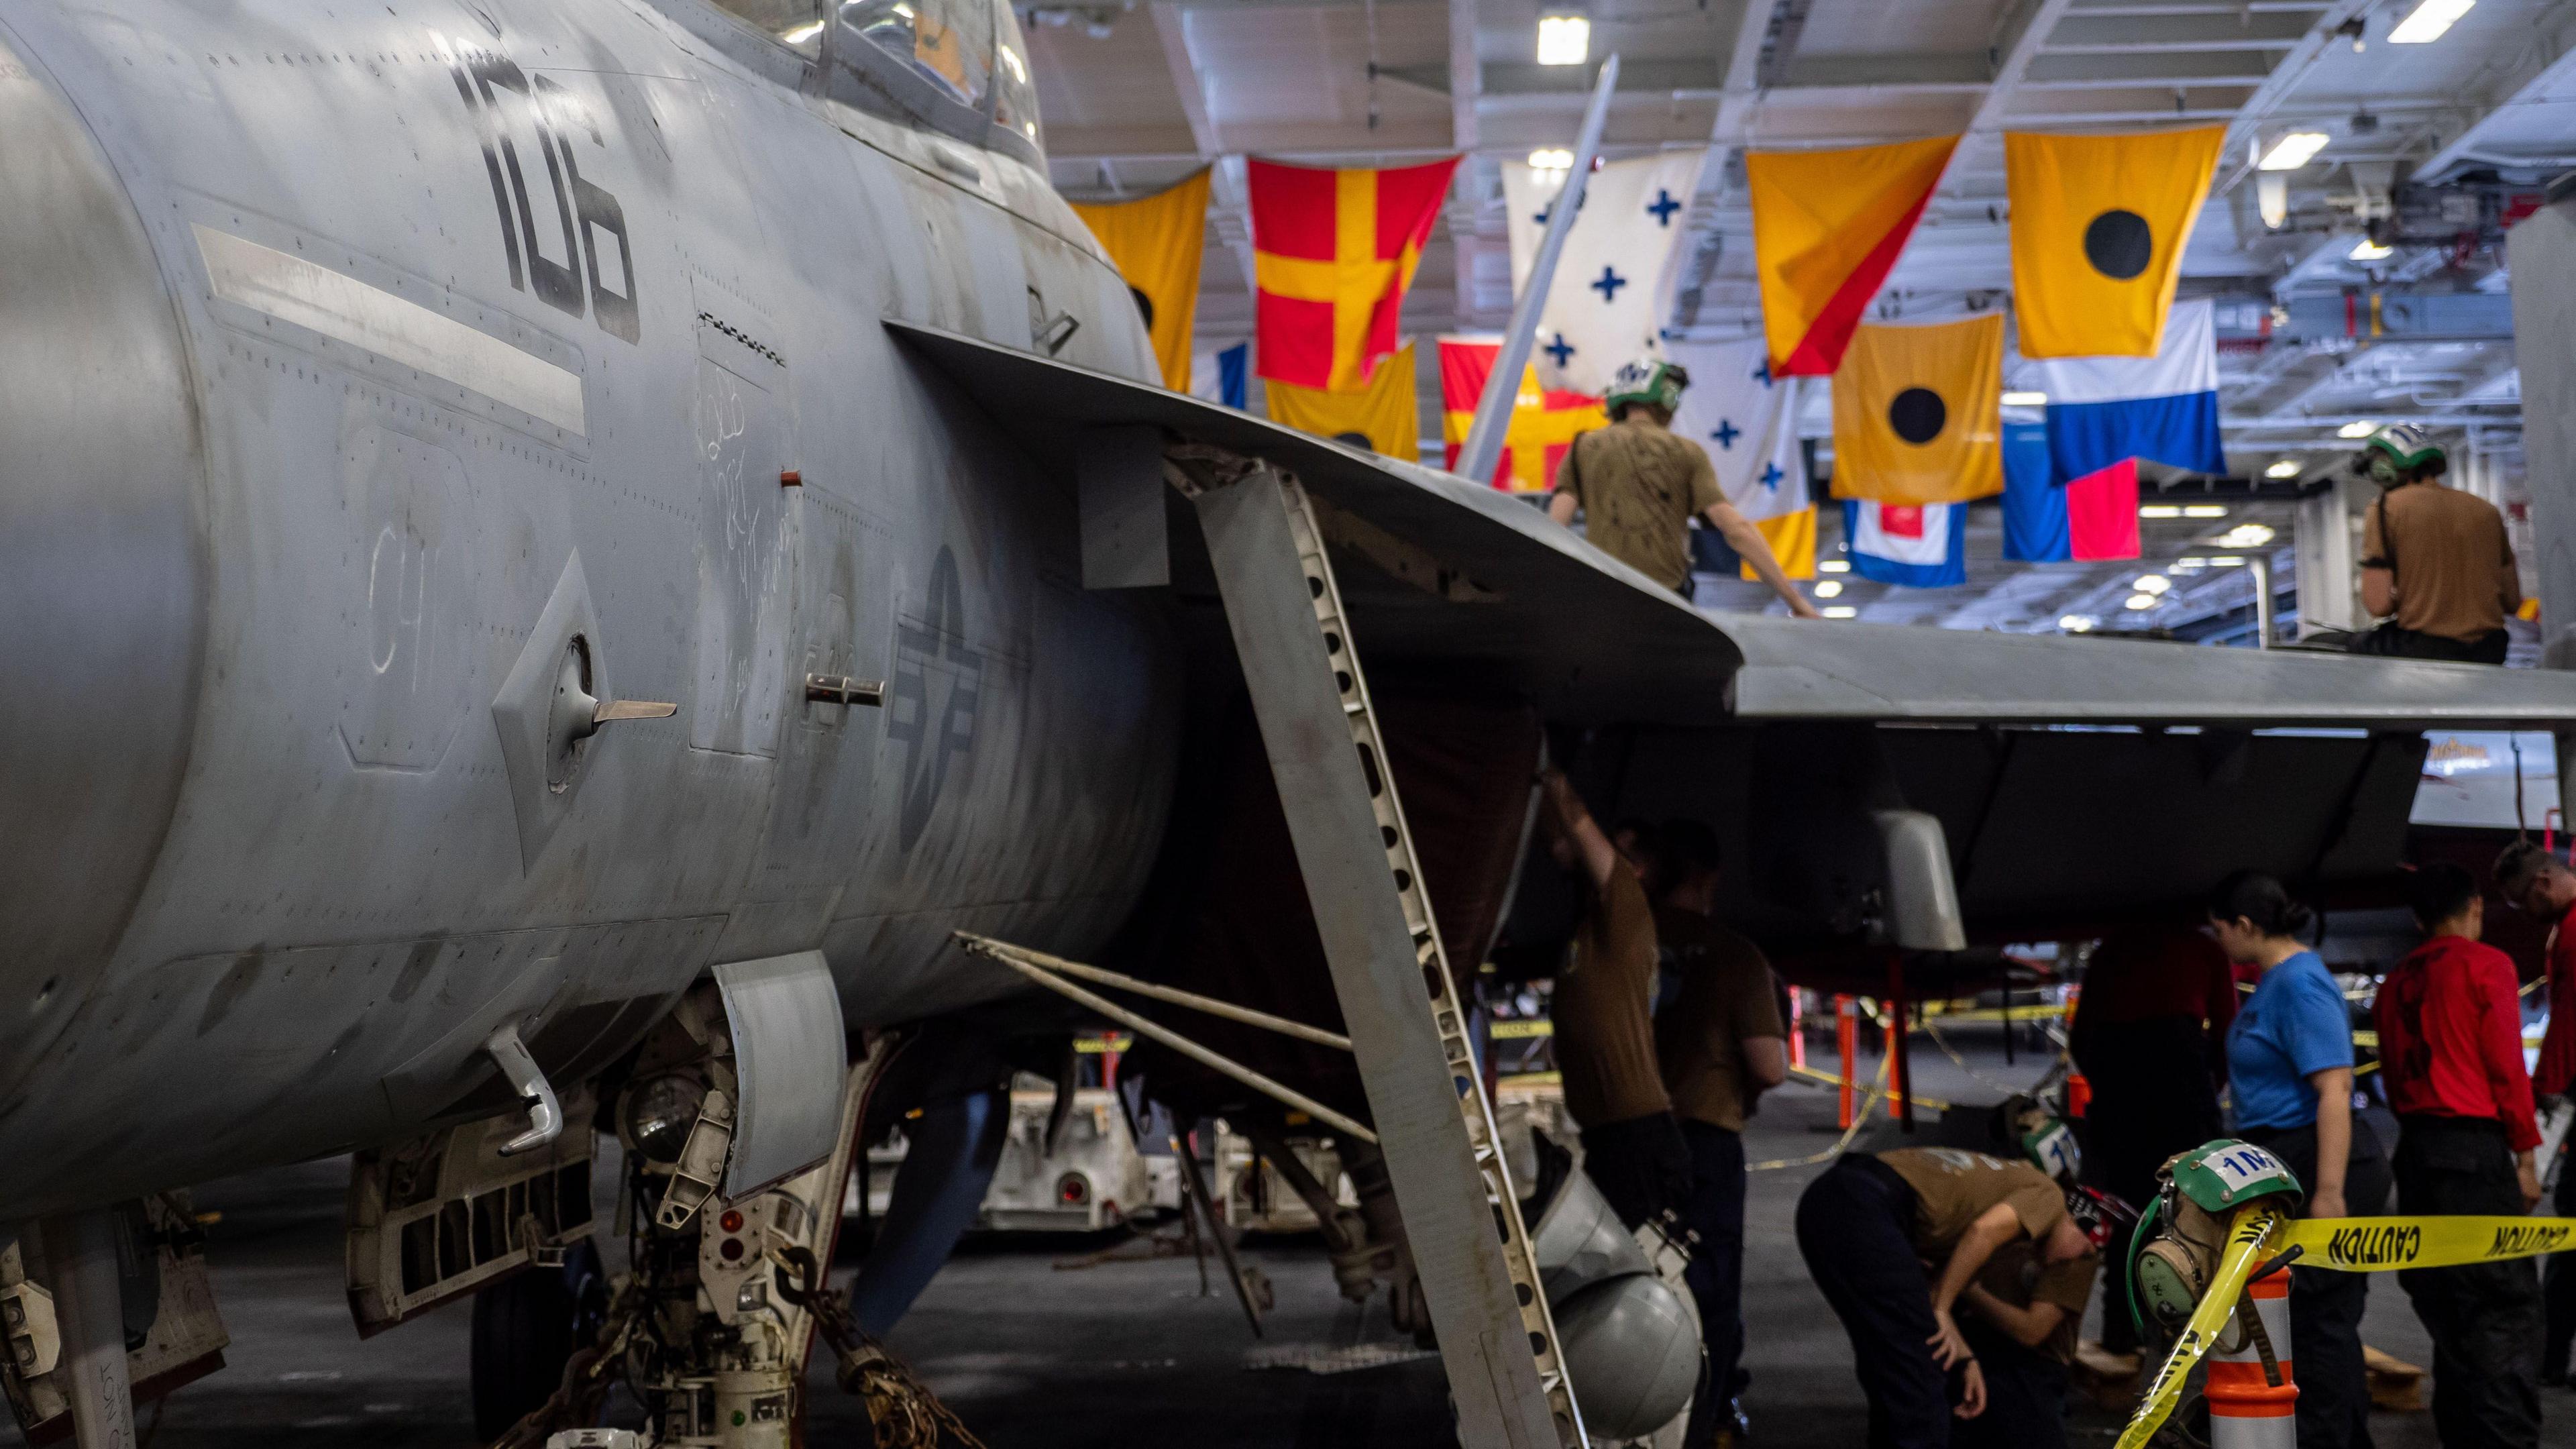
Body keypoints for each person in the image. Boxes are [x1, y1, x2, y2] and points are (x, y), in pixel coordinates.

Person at [2210, 869, 2391, 1449]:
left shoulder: (2299, 984)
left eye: (2220, 930)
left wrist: (2330, 1194)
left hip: (2321, 1160)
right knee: (2309, 1325)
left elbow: (2335, 1090)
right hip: (2286, 1159)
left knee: (2319, 1327)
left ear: (2244, 925)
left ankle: (2328, 1441)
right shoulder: (2274, 983)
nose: (2219, 943)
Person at [2375, 862, 2546, 1448]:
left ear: (2420, 918)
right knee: (2501, 1306)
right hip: (2473, 1151)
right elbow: (2506, 1068)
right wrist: (2525, 1157)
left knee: (2446, 1302)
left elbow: (2393, 1079)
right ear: (2475, 906)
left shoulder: (2396, 979)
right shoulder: (2486, 964)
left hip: (2417, 1151)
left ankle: (2464, 1434)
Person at [1795, 1144, 2098, 1449]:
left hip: (1838, 1196)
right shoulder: (2050, 1198)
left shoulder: (1999, 1188)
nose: (2079, 1260)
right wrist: (1942, 1308)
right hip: (1866, 1205)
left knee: (1898, 1372)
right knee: (1920, 1389)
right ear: (2072, 1220)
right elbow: (1982, 1232)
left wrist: (1965, 1356)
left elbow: (1928, 1288)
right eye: (2085, 1250)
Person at [1648, 818, 1788, 1448]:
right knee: (1708, 1287)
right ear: (1708, 877)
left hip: (1630, 1138)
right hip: (1705, 1140)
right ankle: (1707, 1421)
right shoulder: (1734, 954)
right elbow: (1770, 1066)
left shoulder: (1624, 943)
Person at [2067, 924, 2237, 1360]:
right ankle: (2192, 1332)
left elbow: (2081, 1038)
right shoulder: (2205, 948)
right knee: (2192, 1213)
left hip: (2121, 1089)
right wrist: (2207, 1093)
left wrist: (2107, 1087)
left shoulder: (2111, 949)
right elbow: (2227, 1031)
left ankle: (2122, 1332)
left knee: (2126, 1214)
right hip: (2181, 1083)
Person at [1536, 766, 1690, 1229]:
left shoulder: (1625, 899)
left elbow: (1578, 824)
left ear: (1637, 868)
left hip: (1637, 1137)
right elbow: (1562, 844)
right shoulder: (1591, 927)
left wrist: (1549, 775)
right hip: (1610, 1137)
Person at [1548, 356, 1821, 618]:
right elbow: (1736, 529)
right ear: (1668, 397)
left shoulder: (1582, 448)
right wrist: (1796, 601)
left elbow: (1552, 530)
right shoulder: (1686, 452)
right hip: (1667, 602)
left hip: (1604, 598)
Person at [1950, 1185, 2121, 1449]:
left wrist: (1963, 1287)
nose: (2087, 1254)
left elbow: (2033, 1331)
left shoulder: (2075, 1261)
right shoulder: (2010, 1225)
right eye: (2086, 1243)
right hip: (1982, 1350)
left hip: (2032, 1368)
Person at [2494, 839, 2576, 1387]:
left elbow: (2569, 1023)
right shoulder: (2563, 930)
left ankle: (2549, 1363)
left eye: (2525, 902)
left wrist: (2542, 1091)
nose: (2527, 914)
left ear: (2542, 885)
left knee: (2569, 1233)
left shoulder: (2570, 934)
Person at [2346, 423, 2520, 663]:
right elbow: (2512, 601)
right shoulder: (2485, 509)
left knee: (2325, 645)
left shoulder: (2386, 508)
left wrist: (2416, 599)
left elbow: (2379, 604)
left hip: (2426, 648)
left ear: (2384, 468)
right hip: (2490, 649)